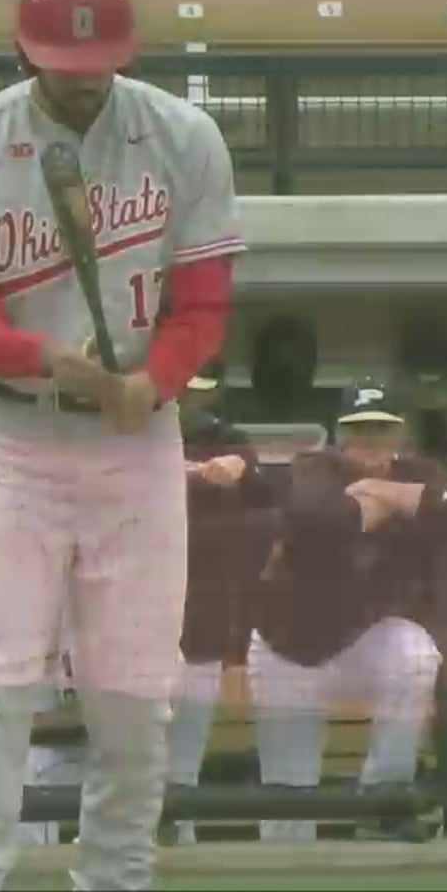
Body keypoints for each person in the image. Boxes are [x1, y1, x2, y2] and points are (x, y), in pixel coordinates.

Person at [0, 0, 241, 891]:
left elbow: (205, 302)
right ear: (26, 56)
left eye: (100, 70)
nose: (86, 87)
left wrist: (162, 377)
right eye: (66, 72)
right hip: (18, 439)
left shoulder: (186, 137)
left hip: (136, 444)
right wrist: (43, 356)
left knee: (137, 701)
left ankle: (115, 881)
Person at [248, 379, 447, 843]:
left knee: (415, 655)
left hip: (360, 639)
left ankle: (382, 803)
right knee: (288, 813)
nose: (370, 443)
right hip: (289, 646)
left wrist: (377, 492)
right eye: (360, 431)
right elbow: (315, 514)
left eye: (382, 429)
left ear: (399, 433)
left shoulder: (421, 471)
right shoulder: (313, 467)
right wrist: (385, 502)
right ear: (341, 435)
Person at [166, 358, 277, 845]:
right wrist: (188, 471)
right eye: (181, 389)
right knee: (124, 744)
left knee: (184, 755)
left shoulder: (228, 440)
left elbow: (268, 493)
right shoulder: (127, 429)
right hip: (131, 610)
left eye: (197, 391)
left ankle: (180, 834)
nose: (188, 399)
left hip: (203, 615)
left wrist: (241, 467)